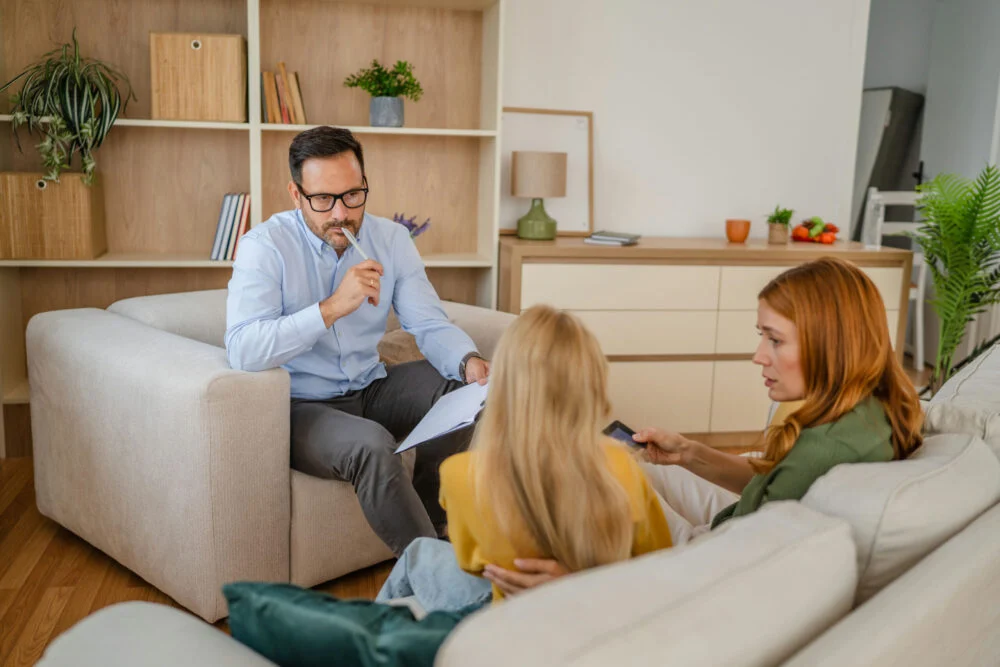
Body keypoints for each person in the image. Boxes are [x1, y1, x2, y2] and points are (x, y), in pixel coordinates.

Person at [480, 256, 925, 596]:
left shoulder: (826, 450)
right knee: (626, 463)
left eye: (774, 338)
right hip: (727, 531)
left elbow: (712, 590)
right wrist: (690, 454)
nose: (758, 355)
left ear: (830, 343)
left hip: (700, 562)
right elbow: (777, 483)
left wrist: (577, 585)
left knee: (597, 475)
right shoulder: (869, 413)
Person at [225, 126, 490, 556]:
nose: (340, 214)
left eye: (352, 196)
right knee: (372, 446)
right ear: (296, 195)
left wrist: (468, 360)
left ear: (364, 185)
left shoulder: (391, 240)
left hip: (371, 385)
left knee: (466, 389)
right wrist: (331, 308)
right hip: (301, 405)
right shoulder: (265, 247)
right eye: (323, 200)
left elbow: (428, 322)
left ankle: (431, 525)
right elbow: (243, 348)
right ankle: (434, 574)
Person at [376, 305, 673, 610]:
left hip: (506, 616)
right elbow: (659, 560)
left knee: (417, 555)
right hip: (601, 612)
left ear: (503, 386)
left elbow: (470, 562)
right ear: (592, 386)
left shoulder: (461, 476)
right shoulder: (623, 468)